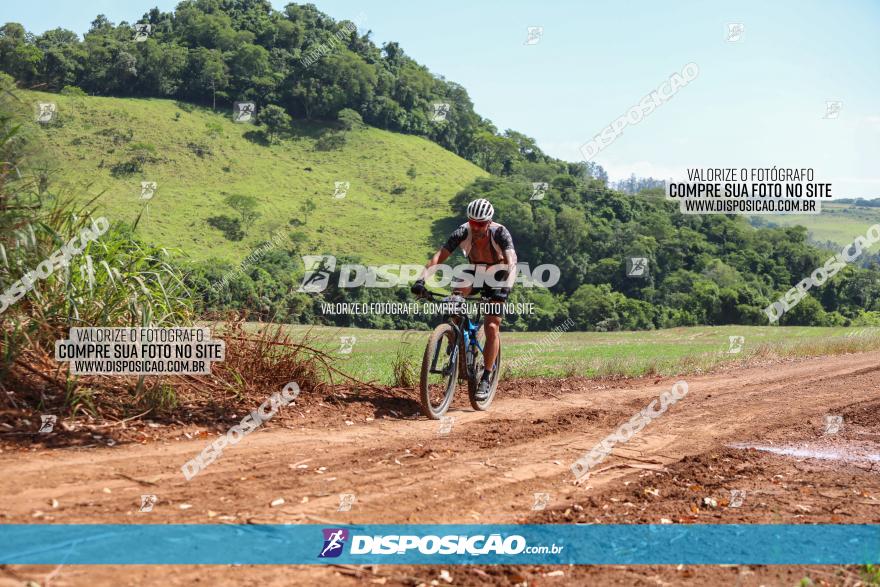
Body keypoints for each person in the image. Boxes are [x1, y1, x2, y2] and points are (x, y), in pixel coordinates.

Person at [411, 198, 517, 400]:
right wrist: (421, 280)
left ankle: (486, 376)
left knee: (492, 326)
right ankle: (454, 337)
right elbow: (438, 257)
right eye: (472, 222)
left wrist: (503, 288)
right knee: (455, 300)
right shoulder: (462, 231)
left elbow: (511, 262)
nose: (476, 227)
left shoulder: (500, 232)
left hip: (499, 274)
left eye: (480, 224)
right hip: (474, 270)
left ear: (489, 222)